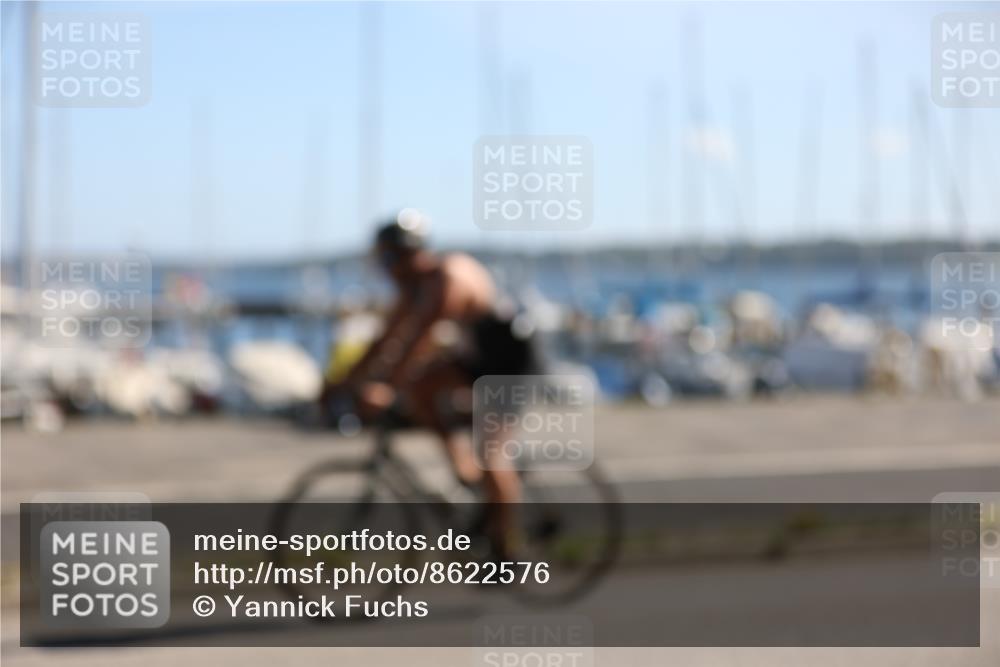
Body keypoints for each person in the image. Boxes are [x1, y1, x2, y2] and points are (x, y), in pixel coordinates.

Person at [320, 209, 537, 557]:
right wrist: (340, 382)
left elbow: (419, 339)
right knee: (422, 386)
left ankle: (506, 548)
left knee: (492, 454)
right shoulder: (416, 288)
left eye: (390, 260)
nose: (387, 270)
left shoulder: (449, 277)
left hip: (509, 358)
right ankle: (464, 470)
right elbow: (384, 340)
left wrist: (387, 388)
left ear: (409, 255)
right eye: (382, 261)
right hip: (477, 355)